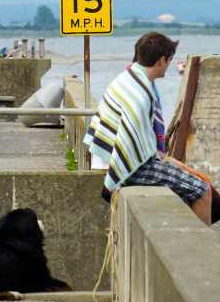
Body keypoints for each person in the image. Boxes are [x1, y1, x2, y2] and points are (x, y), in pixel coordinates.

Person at [83, 32, 213, 225]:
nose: (169, 65)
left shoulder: (126, 78)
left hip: (107, 159)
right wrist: (158, 158)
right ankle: (200, 250)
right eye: (169, 60)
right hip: (128, 169)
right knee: (203, 190)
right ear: (162, 60)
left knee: (185, 188)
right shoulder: (141, 94)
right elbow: (132, 150)